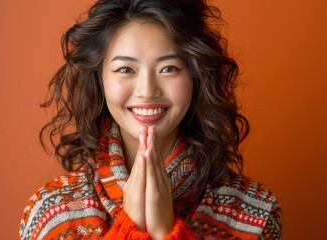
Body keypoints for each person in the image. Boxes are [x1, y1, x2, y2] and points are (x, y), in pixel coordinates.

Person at [19, 0, 281, 239]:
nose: (147, 90)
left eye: (169, 68)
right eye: (125, 69)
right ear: (99, 79)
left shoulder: (256, 212)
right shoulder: (51, 212)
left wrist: (167, 232)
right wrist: (128, 230)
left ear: (195, 77)